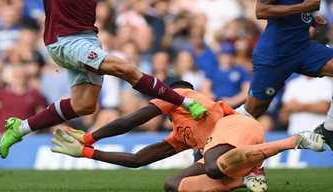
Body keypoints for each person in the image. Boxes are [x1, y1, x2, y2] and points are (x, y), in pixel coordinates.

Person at [0, 0, 207, 159]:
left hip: (88, 38)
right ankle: (185, 103)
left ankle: (19, 128)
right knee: (124, 67)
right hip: (65, 40)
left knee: (84, 105)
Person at [51, 81, 326, 192]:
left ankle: (291, 142)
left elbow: (131, 120)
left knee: (210, 164)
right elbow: (138, 159)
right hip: (224, 146)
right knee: (174, 185)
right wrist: (88, 154)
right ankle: (246, 176)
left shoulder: (184, 96)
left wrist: (90, 137)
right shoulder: (180, 134)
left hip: (240, 126)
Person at [235, 0, 333, 150]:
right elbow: (261, 10)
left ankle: (328, 129)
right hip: (275, 53)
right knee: (253, 111)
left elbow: (299, 5)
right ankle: (210, 141)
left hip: (303, 47)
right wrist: (303, 8)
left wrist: (310, 18)